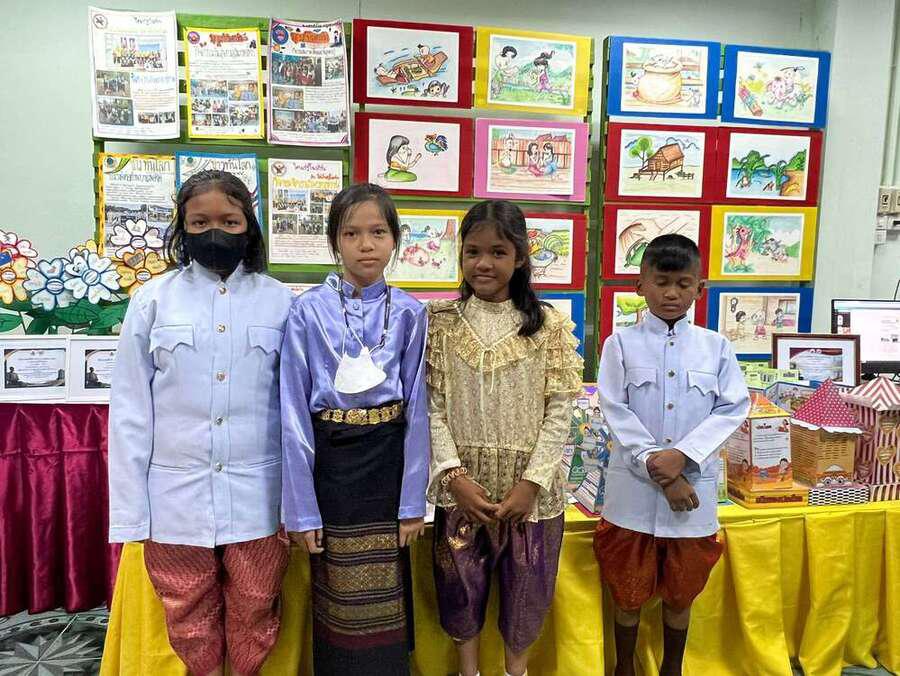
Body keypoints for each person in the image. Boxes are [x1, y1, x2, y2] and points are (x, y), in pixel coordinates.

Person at [108, 170, 294, 676]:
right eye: (199, 222)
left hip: (260, 494)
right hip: (175, 497)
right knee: (186, 614)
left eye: (230, 221)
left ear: (249, 226)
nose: (215, 232)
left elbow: (295, 409)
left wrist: (297, 501)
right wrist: (131, 513)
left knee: (257, 608)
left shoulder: (280, 301)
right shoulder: (152, 300)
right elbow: (129, 410)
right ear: (182, 228)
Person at [427, 200, 583, 676]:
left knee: (526, 595)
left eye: (498, 252)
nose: (484, 263)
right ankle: (468, 670)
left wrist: (532, 483)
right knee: (459, 590)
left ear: (520, 257)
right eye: (472, 252)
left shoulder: (548, 326)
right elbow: (432, 408)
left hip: (529, 495)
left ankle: (517, 670)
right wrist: (454, 477)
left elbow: (560, 411)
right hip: (462, 490)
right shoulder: (442, 323)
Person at [280, 183, 429, 675]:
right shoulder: (306, 310)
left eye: (378, 232)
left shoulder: (410, 312)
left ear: (395, 240)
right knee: (339, 597)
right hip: (333, 465)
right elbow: (293, 412)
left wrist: (412, 504)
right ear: (334, 241)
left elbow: (419, 411)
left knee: (387, 595)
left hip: (388, 463)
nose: (366, 245)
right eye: (352, 233)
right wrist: (302, 510)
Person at [594, 234, 750, 676]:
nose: (671, 293)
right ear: (639, 285)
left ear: (700, 288)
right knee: (626, 595)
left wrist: (683, 455)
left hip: (692, 500)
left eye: (683, 284)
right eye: (661, 282)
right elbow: (614, 409)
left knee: (682, 596)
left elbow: (732, 407)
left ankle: (672, 669)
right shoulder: (619, 344)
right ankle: (624, 668)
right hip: (633, 499)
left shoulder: (716, 346)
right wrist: (659, 465)